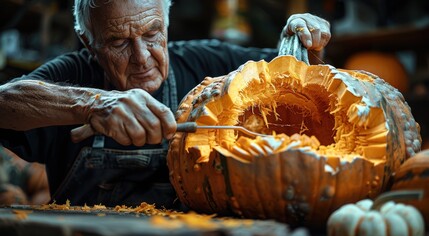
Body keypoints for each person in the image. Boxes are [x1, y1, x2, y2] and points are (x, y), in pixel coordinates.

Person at [0, 0, 331, 209]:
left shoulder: (207, 63)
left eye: (152, 34)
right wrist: (92, 103)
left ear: (167, 24)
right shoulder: (73, 73)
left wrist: (303, 39)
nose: (142, 58)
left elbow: (295, 74)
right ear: (89, 42)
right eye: (118, 42)